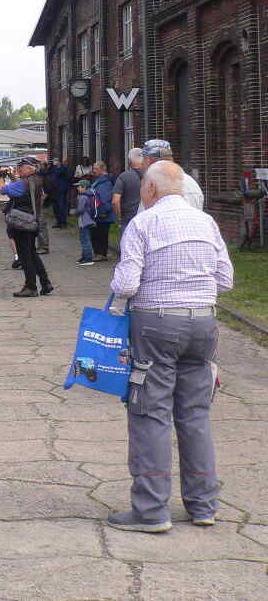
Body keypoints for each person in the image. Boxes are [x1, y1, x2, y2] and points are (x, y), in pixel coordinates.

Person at [105, 160, 232, 533]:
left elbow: (127, 284)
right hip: (203, 324)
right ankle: (203, 506)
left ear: (150, 189)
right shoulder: (206, 222)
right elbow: (225, 279)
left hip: (156, 326)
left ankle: (151, 511)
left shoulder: (143, 223)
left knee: (150, 413)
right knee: (195, 414)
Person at [0, 156, 53, 297]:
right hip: (32, 221)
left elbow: (3, 190)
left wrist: (0, 178)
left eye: (21, 167)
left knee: (25, 256)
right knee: (33, 254)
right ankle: (45, 282)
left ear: (30, 168)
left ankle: (31, 287)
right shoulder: (36, 180)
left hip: (21, 223)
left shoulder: (24, 183)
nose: (19, 169)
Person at [137, 139, 204, 212]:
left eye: (143, 159)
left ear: (147, 160)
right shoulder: (191, 182)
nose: (141, 164)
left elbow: (144, 216)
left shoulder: (152, 184)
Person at [112, 148, 144, 259]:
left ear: (129, 161)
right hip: (146, 218)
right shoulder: (151, 176)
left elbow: (115, 201)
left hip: (128, 219)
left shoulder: (124, 177)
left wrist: (119, 217)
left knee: (127, 252)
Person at [89, 160, 116, 261]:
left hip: (102, 213)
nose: (94, 170)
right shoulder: (100, 180)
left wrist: (103, 212)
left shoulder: (105, 182)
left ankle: (101, 254)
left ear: (102, 169)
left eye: (96, 169)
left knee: (100, 234)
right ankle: (99, 253)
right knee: (97, 233)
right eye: (93, 168)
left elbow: (105, 198)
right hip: (98, 212)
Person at [74, 178, 96, 266]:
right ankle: (84, 257)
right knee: (85, 239)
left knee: (85, 240)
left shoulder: (83, 197)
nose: (77, 188)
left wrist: (74, 212)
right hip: (88, 220)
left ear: (84, 187)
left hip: (84, 221)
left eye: (79, 186)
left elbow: (80, 209)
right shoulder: (89, 195)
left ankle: (88, 259)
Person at [49, 158, 70, 227]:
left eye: (55, 161)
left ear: (58, 162)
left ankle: (63, 222)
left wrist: (59, 166)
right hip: (55, 190)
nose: (53, 162)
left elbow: (59, 173)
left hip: (61, 190)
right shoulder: (54, 168)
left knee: (61, 206)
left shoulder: (62, 168)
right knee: (55, 207)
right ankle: (58, 222)